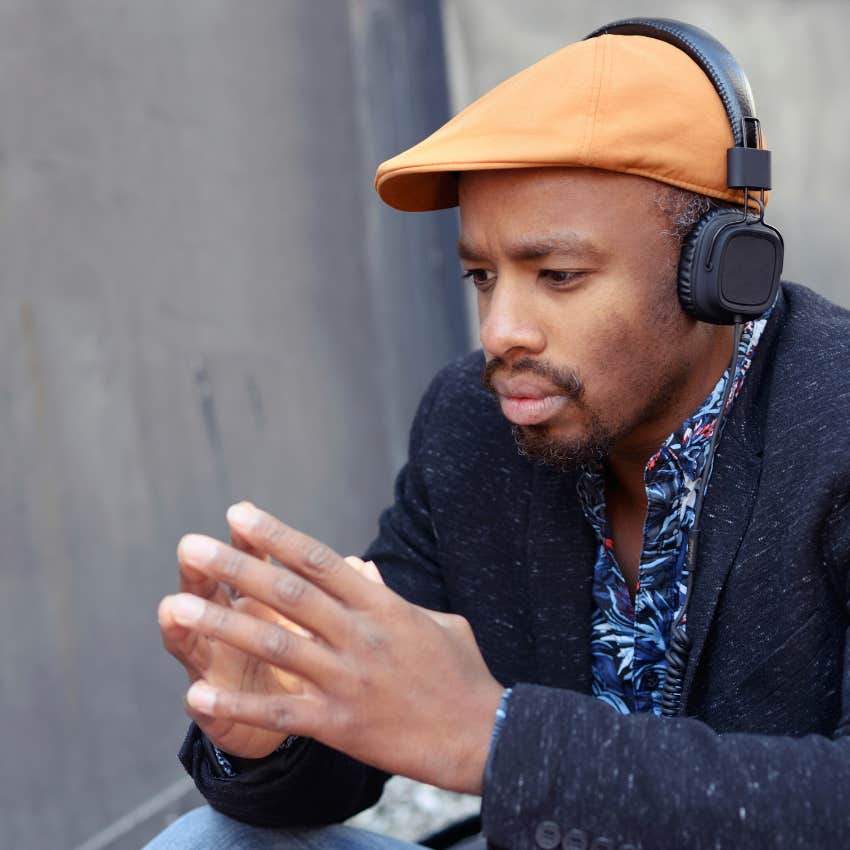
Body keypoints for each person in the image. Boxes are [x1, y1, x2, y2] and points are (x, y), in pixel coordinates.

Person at [145, 19, 850, 850]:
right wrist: (277, 727)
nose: (503, 330)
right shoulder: (474, 423)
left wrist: (496, 737)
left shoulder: (831, 419)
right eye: (482, 275)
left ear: (723, 273)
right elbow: (374, 723)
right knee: (207, 843)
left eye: (558, 276)